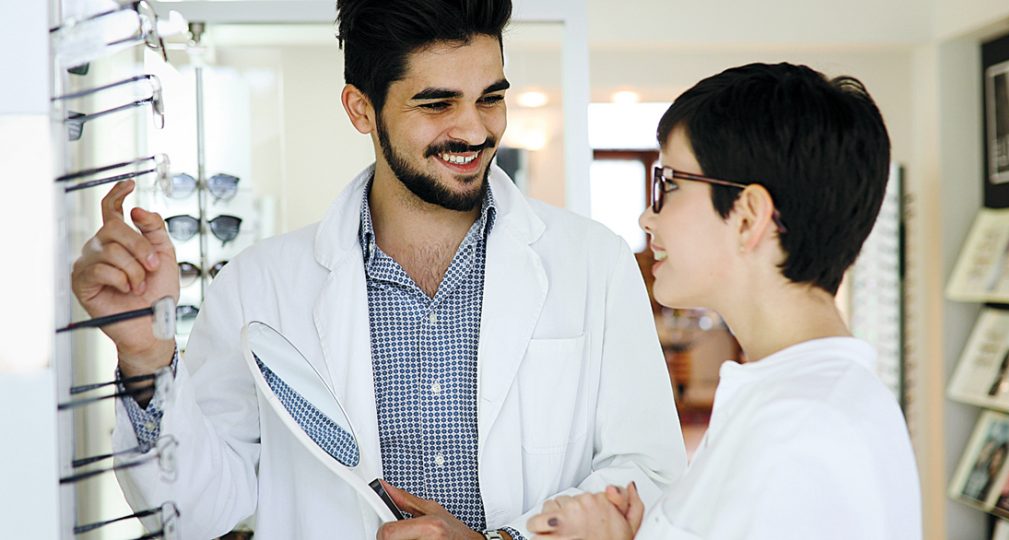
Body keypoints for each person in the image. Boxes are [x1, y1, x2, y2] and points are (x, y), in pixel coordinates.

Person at [70, 0, 686, 538]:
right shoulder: (260, 285)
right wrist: (147, 360)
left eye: (490, 98)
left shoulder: (593, 262)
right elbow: (199, 510)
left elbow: (650, 473)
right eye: (437, 103)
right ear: (360, 109)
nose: (474, 128)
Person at [526, 63, 922, 539]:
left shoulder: (805, 431)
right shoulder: (782, 400)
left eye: (668, 185)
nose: (648, 218)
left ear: (747, 215)